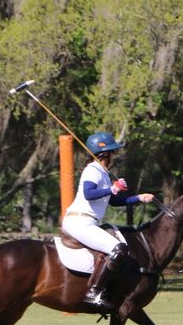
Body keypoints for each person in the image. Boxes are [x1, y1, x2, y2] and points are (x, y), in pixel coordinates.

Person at [61, 132, 155, 309]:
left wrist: (138, 198)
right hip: (79, 221)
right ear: (105, 153)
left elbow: (113, 201)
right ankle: (94, 292)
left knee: (114, 248)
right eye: (113, 152)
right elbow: (89, 193)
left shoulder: (103, 173)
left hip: (87, 222)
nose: (115, 155)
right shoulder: (92, 170)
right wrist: (113, 188)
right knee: (118, 248)